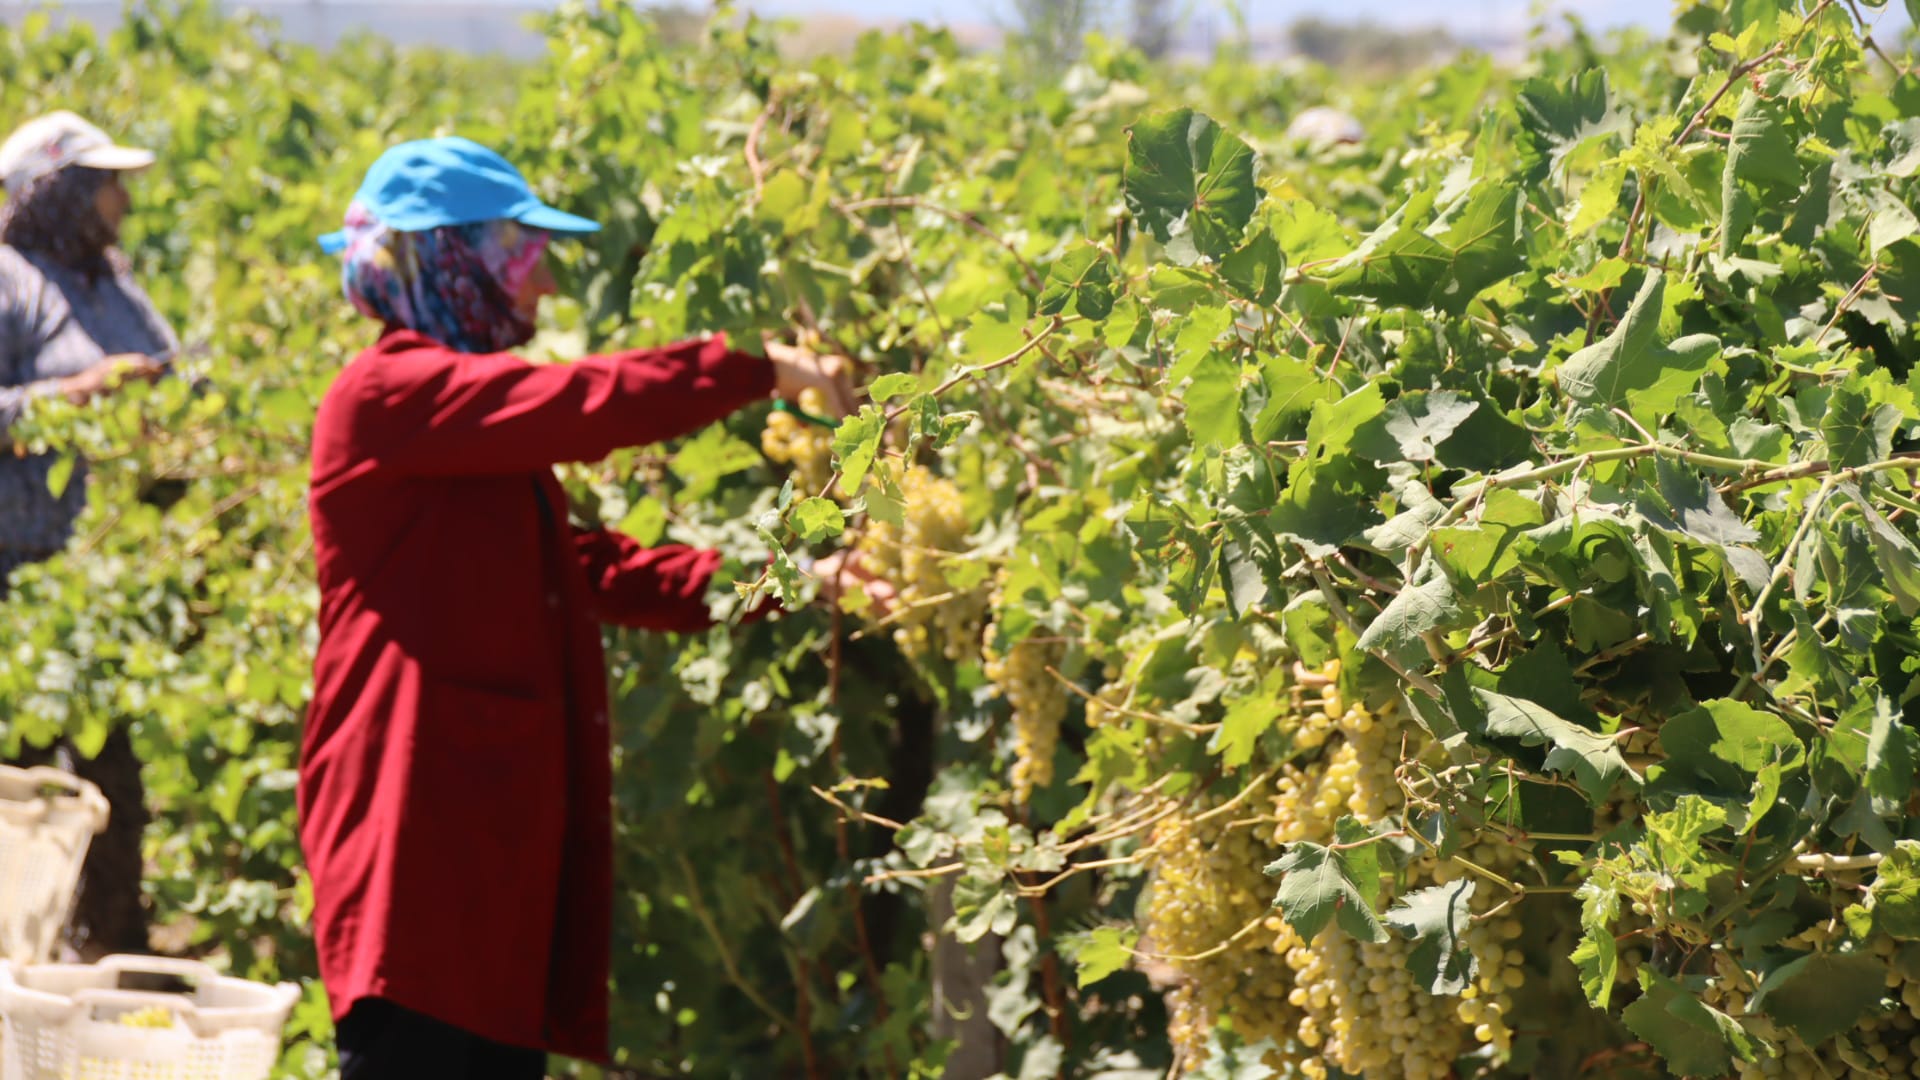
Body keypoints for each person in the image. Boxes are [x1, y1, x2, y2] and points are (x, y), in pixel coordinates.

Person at [301, 137, 856, 1078]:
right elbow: (579, 402)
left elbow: (590, 568)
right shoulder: (389, 394)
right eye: (523, 254)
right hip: (420, 860)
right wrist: (750, 366)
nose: (547, 285)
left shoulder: (457, 421)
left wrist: (803, 578)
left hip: (484, 865)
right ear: (449, 259)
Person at [0, 110, 177, 960]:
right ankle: (22, 954)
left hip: (106, 583)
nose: (124, 202)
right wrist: (72, 395)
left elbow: (177, 369)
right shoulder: (7, 282)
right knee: (25, 775)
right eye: (110, 183)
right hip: (19, 582)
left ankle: (102, 946)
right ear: (63, 190)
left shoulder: (113, 282)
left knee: (114, 778)